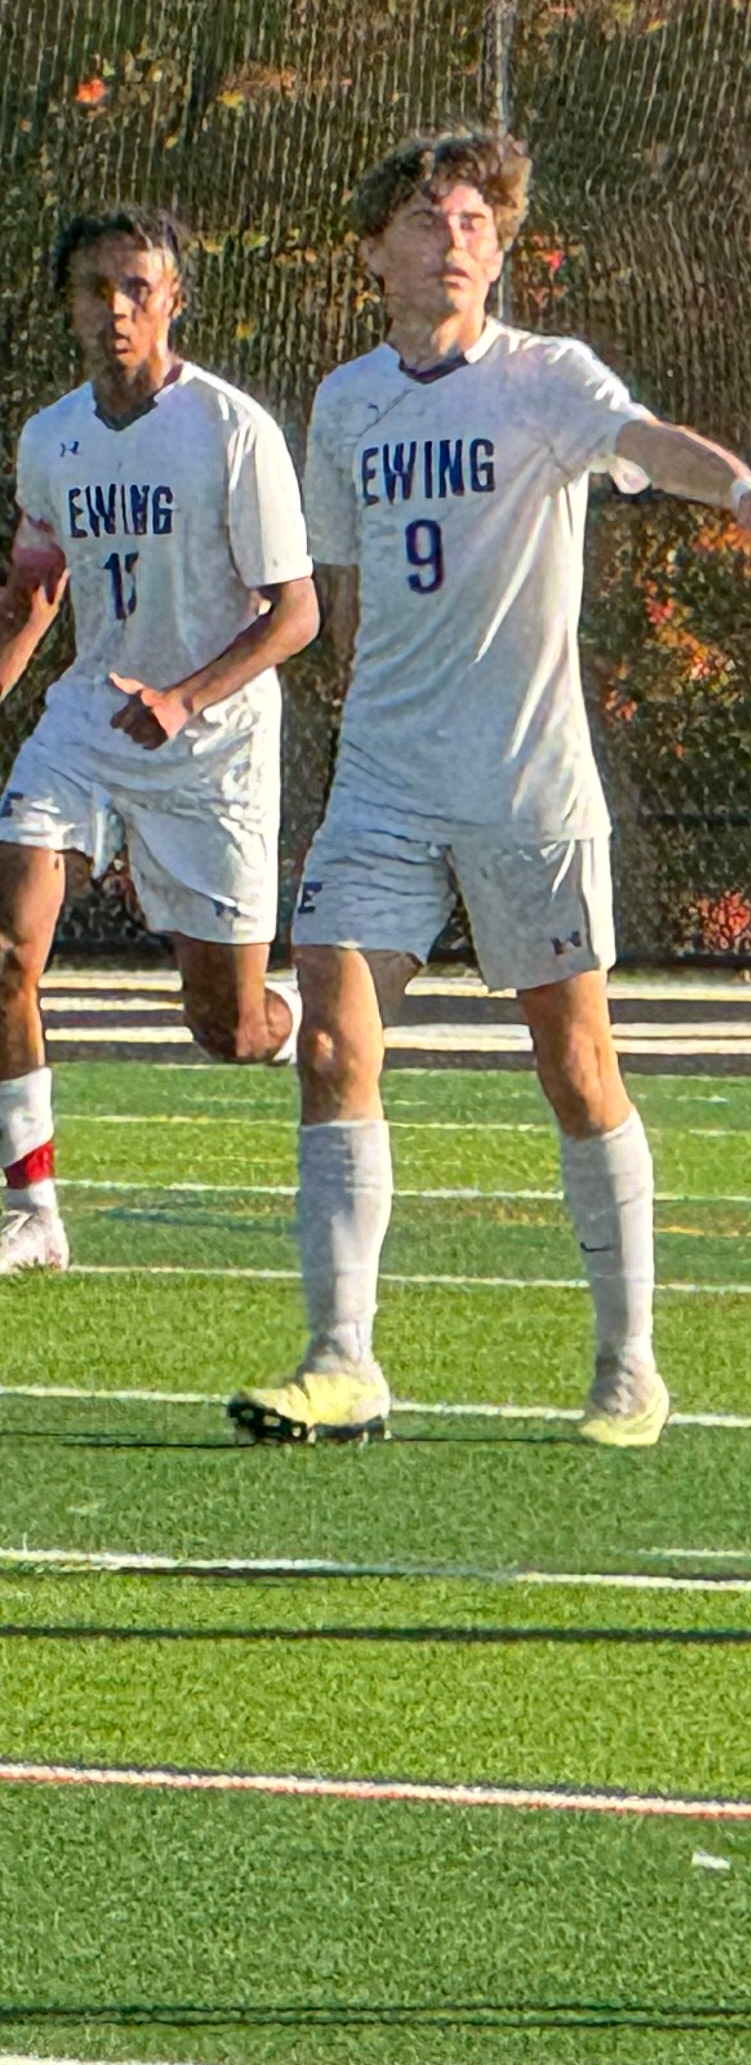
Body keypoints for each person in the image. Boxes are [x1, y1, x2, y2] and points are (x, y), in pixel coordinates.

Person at [228, 129, 751, 1449]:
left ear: (500, 248)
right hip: (385, 780)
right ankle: (341, 1361)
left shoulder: (545, 380)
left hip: (527, 785)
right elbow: (343, 588)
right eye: (429, 218)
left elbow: (645, 440)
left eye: (477, 220)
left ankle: (630, 1365)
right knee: (328, 1039)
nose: (455, 237)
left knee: (575, 1067)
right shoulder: (345, 405)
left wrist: (740, 486)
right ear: (377, 247)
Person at [0, 206, 318, 1278]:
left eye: (139, 287)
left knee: (228, 1032)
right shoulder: (51, 437)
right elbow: (36, 591)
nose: (117, 307)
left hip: (213, 745)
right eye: (96, 287)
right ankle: (34, 1210)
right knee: (6, 952)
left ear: (174, 298)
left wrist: (185, 698)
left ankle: (322, 1008)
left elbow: (294, 614)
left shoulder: (233, 430)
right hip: (90, 725)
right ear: (69, 303)